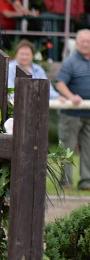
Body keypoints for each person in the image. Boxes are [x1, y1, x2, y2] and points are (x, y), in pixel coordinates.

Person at [54, 29, 90, 191]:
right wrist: (71, 97)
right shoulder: (70, 61)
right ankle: (65, 182)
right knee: (67, 149)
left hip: (88, 114)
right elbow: (60, 83)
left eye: (88, 41)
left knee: (88, 149)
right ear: (77, 43)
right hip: (71, 114)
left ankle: (86, 182)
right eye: (83, 41)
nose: (86, 44)